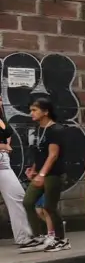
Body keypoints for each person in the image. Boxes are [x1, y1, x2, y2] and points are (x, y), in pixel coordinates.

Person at [19, 97, 70, 253]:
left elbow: (53, 155)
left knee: (49, 207)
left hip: (53, 174)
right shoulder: (39, 129)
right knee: (28, 202)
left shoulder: (56, 130)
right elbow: (40, 153)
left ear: (46, 111)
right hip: (41, 172)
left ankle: (61, 240)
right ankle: (39, 236)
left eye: (35, 110)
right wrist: (34, 169)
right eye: (31, 110)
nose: (31, 113)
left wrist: (41, 174)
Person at [0, 98, 34, 246]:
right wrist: (2, 146)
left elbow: (7, 133)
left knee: (18, 196)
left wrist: (6, 144)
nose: (0, 100)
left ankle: (25, 238)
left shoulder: (1, 115)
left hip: (2, 161)